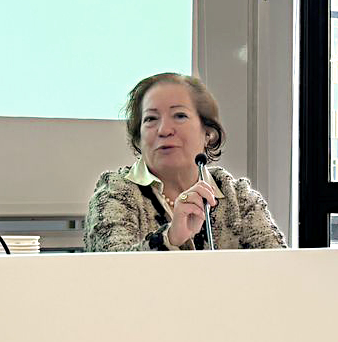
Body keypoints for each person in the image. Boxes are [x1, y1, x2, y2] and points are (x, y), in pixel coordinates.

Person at [84, 72, 286, 252]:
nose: (164, 130)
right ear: (138, 138)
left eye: (179, 116)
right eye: (151, 119)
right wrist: (170, 238)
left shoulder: (238, 197)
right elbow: (111, 271)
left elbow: (278, 270)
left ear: (208, 132)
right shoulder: (114, 194)